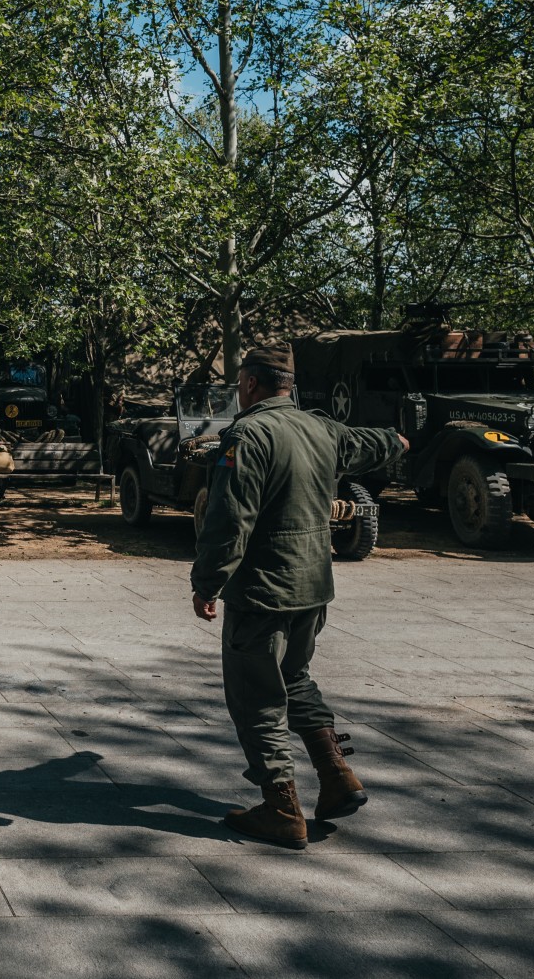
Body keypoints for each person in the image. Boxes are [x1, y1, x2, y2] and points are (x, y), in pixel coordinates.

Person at [192, 344, 407, 850]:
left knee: (257, 696)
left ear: (249, 383)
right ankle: (337, 775)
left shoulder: (248, 435)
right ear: (288, 385)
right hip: (313, 586)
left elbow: (230, 520)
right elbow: (379, 442)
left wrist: (207, 583)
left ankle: (281, 809)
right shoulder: (321, 428)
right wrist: (397, 442)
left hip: (264, 591)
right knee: (294, 678)